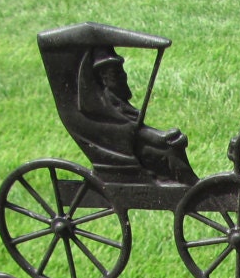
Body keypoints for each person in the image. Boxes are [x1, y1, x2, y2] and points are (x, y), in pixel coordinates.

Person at [76, 47, 197, 185]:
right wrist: (162, 137)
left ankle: (190, 186)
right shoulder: (107, 106)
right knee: (171, 149)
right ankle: (191, 187)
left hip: (132, 147)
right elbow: (129, 130)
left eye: (122, 71)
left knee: (171, 144)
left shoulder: (118, 101)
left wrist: (164, 137)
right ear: (104, 78)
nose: (123, 76)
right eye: (116, 73)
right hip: (123, 153)